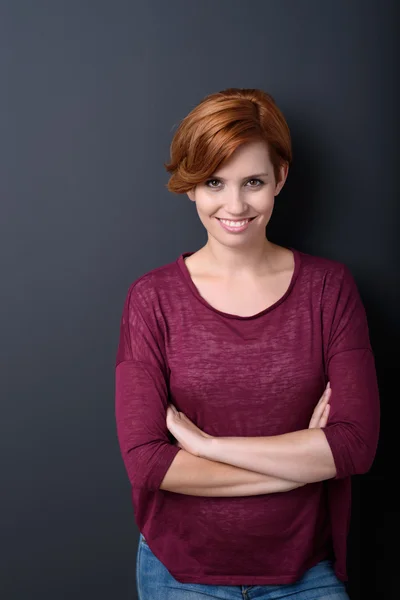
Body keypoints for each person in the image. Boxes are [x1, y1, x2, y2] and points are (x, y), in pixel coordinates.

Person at [115, 88, 380, 599]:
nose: (234, 205)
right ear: (191, 186)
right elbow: (148, 464)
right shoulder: (151, 299)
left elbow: (353, 447)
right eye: (214, 182)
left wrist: (207, 447)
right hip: (179, 575)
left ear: (280, 178)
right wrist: (297, 468)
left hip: (306, 573)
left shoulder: (329, 289)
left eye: (253, 182)